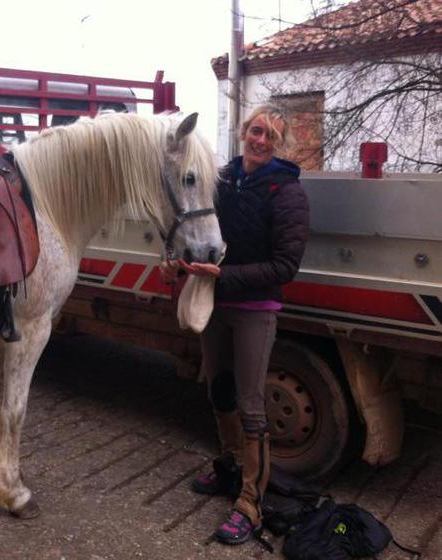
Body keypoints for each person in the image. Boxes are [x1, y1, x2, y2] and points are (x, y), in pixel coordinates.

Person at [160, 104, 310, 545]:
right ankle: (229, 469)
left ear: (281, 146)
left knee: (251, 404)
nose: (261, 140)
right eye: (256, 131)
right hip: (215, 302)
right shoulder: (221, 179)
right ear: (244, 132)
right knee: (219, 393)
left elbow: (285, 266)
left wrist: (226, 276)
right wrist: (177, 265)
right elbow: (199, 234)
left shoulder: (287, 192)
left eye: (272, 137)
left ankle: (250, 502)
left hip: (256, 309)